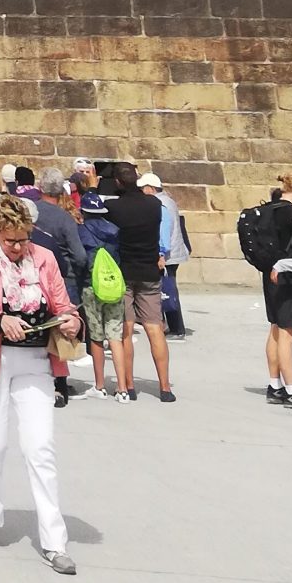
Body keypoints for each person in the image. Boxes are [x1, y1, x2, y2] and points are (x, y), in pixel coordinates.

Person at [0, 195, 83, 575]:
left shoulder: (44, 257)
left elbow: (62, 304)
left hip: (36, 359)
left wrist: (72, 321)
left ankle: (55, 542)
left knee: (40, 447)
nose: (20, 247)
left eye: (24, 239)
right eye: (11, 241)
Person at [105, 162, 175, 404]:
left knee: (126, 329)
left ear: (117, 182)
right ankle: (165, 387)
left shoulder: (113, 207)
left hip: (124, 271)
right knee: (155, 328)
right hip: (149, 271)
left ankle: (130, 385)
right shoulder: (154, 204)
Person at [28, 170, 88, 406]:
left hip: (30, 277)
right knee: (61, 332)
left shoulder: (28, 210)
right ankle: (60, 384)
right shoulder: (64, 218)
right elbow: (80, 255)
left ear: (41, 187)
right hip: (62, 279)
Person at [253, 168, 292, 407]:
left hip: (271, 276)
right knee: (287, 335)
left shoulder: (270, 208)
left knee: (275, 330)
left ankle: (275, 385)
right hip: (287, 278)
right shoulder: (291, 212)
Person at [141, 171, 189, 337]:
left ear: (151, 188)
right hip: (173, 253)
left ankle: (176, 328)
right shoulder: (168, 200)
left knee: (167, 291)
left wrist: (161, 253)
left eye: (143, 188)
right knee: (168, 289)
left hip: (167, 255)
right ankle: (172, 326)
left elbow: (164, 230)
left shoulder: (160, 204)